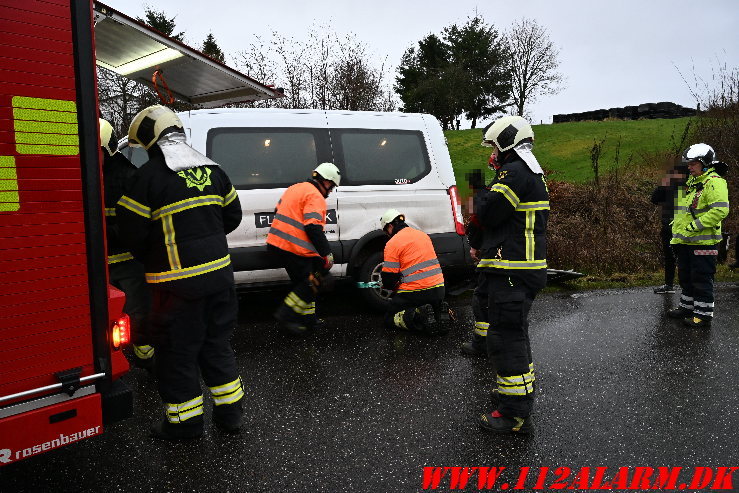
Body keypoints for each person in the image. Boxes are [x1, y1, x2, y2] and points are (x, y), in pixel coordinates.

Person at [116, 105, 244, 440]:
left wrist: (155, 256)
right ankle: (230, 415)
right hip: (220, 281)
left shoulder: (148, 178)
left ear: (150, 141)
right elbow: (233, 217)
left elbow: (131, 233)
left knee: (176, 355)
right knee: (216, 345)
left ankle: (185, 425)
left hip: (177, 289)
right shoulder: (214, 171)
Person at [473, 115, 549, 434]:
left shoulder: (513, 171)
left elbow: (489, 212)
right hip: (517, 268)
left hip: (512, 269)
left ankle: (515, 414)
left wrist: (478, 192)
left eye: (494, 145)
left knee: (506, 337)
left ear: (508, 141)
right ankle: (516, 393)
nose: (492, 153)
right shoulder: (528, 171)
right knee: (512, 333)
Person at [99, 118, 153, 369]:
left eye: (97, 151)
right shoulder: (90, 174)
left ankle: (147, 357)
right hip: (100, 262)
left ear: (108, 148)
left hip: (128, 260)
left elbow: (137, 223)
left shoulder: (129, 177)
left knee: (136, 311)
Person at [267, 162, 340, 335]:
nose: (330, 192)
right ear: (325, 181)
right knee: (313, 282)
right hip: (294, 247)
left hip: (278, 244)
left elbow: (278, 209)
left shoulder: (295, 188)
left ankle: (309, 320)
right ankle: (286, 315)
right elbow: (313, 227)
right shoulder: (316, 197)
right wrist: (327, 253)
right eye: (331, 187)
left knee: (307, 282)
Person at [667, 145, 729, 328]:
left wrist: (694, 226)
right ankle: (687, 307)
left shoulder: (714, 182)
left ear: (705, 164)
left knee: (701, 277)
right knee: (686, 276)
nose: (689, 167)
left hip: (704, 242)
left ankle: (702, 314)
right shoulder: (694, 183)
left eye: (693, 164)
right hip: (686, 242)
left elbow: (720, 210)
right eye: (689, 164)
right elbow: (685, 212)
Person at [379, 209, 449, 334]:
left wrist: (390, 284)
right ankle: (438, 312)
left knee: (389, 318)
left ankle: (420, 318)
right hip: (439, 289)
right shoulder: (423, 235)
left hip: (416, 292)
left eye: (386, 231)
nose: (387, 234)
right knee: (431, 305)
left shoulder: (392, 243)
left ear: (390, 226)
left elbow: (389, 281)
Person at [650, 165, 687, 294]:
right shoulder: (668, 187)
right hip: (667, 226)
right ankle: (668, 284)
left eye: (678, 173)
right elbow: (654, 199)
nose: (674, 176)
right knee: (669, 257)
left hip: (684, 229)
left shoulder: (689, 187)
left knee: (684, 257)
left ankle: (687, 287)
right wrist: (663, 185)